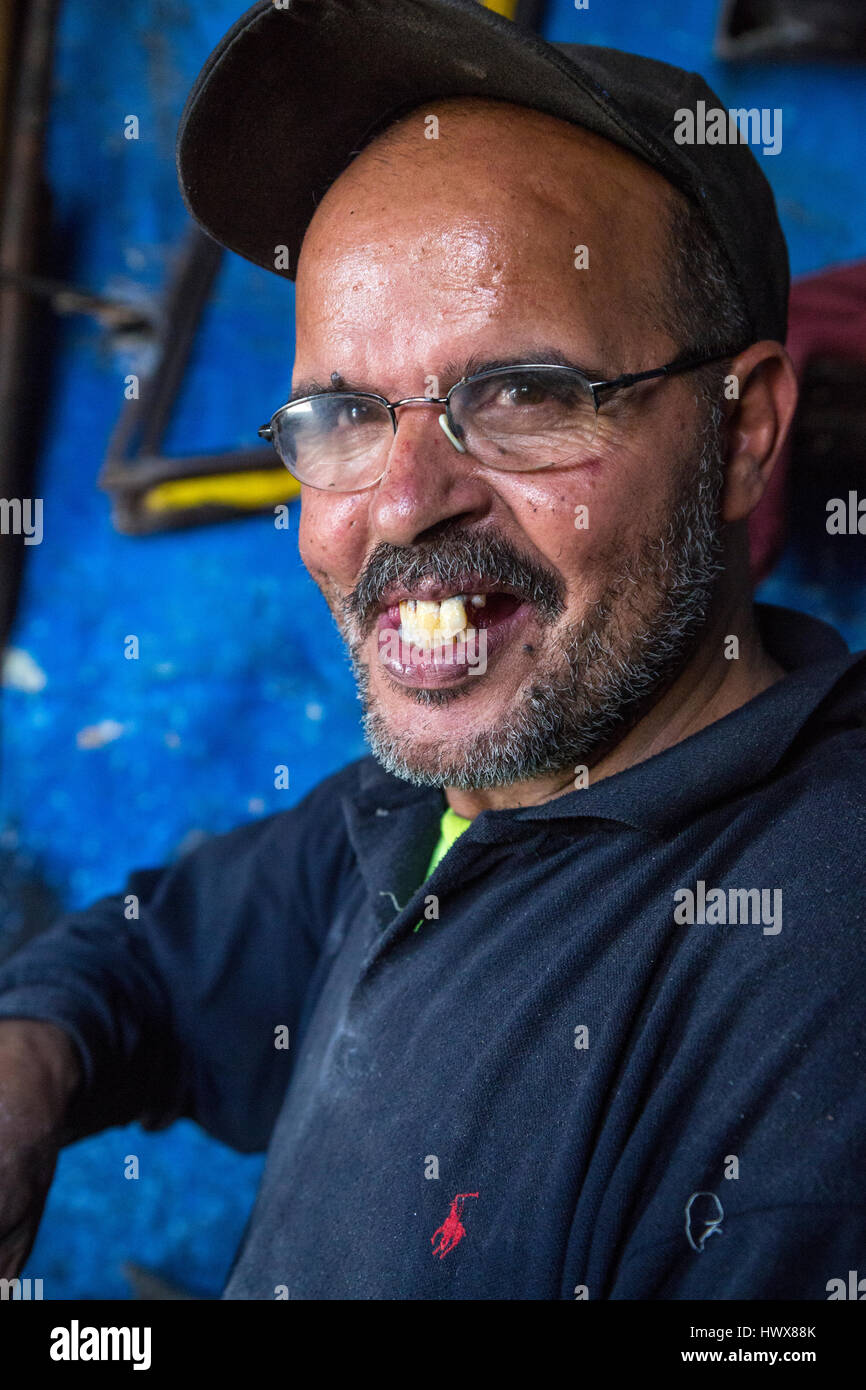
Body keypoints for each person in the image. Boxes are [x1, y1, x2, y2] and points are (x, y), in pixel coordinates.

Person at [1, 0, 864, 1300]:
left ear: (742, 433)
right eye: (344, 412)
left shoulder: (815, 1004)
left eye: (518, 393)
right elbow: (156, 950)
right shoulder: (431, 809)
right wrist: (32, 1058)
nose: (400, 503)